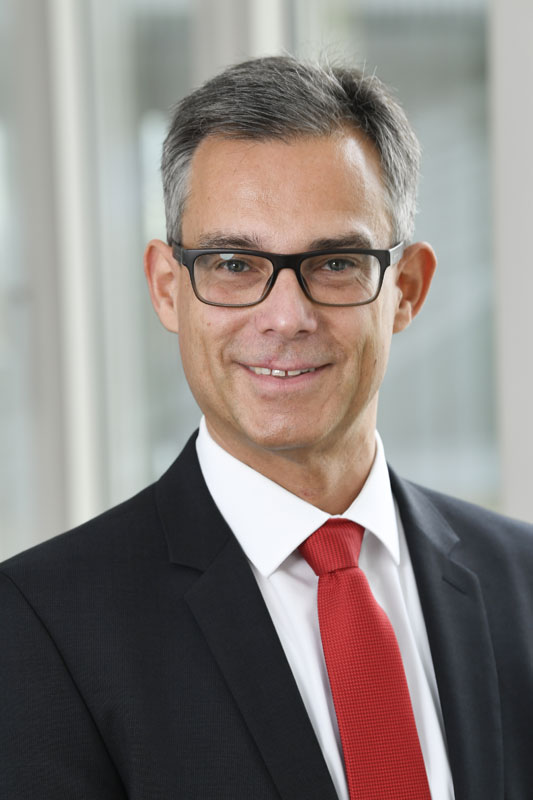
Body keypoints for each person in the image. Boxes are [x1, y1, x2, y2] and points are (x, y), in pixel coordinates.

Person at [1, 56, 532, 800]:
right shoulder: (41, 627)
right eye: (232, 263)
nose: (286, 317)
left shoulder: (522, 581)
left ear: (406, 289)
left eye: (337, 263)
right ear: (167, 288)